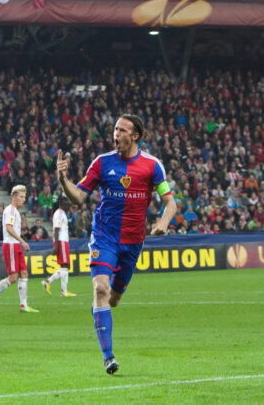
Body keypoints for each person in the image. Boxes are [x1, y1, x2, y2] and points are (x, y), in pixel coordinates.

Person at [56, 114, 176, 374]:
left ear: (135, 136)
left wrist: (164, 223)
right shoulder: (102, 163)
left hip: (133, 243)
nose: (115, 134)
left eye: (122, 130)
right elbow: (78, 197)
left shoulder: (153, 166)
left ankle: (99, 311)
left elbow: (170, 203)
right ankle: (108, 357)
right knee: (100, 288)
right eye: (114, 129)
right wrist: (63, 180)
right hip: (105, 237)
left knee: (113, 299)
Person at [0, 185, 39, 314]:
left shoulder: (15, 211)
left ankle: (23, 305)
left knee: (24, 274)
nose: (23, 199)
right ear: (14, 197)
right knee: (13, 277)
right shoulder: (11, 210)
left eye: (24, 197)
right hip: (11, 245)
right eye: (21, 196)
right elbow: (8, 228)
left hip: (15, 245)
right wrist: (23, 241)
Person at [42, 196, 76, 297]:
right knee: (66, 267)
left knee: (65, 266)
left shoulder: (63, 213)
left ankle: (63, 290)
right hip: (61, 241)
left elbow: (69, 221)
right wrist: (56, 246)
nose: (68, 204)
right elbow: (56, 230)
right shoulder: (59, 214)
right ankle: (49, 283)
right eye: (67, 202)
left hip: (63, 241)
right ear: (61, 203)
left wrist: (70, 210)